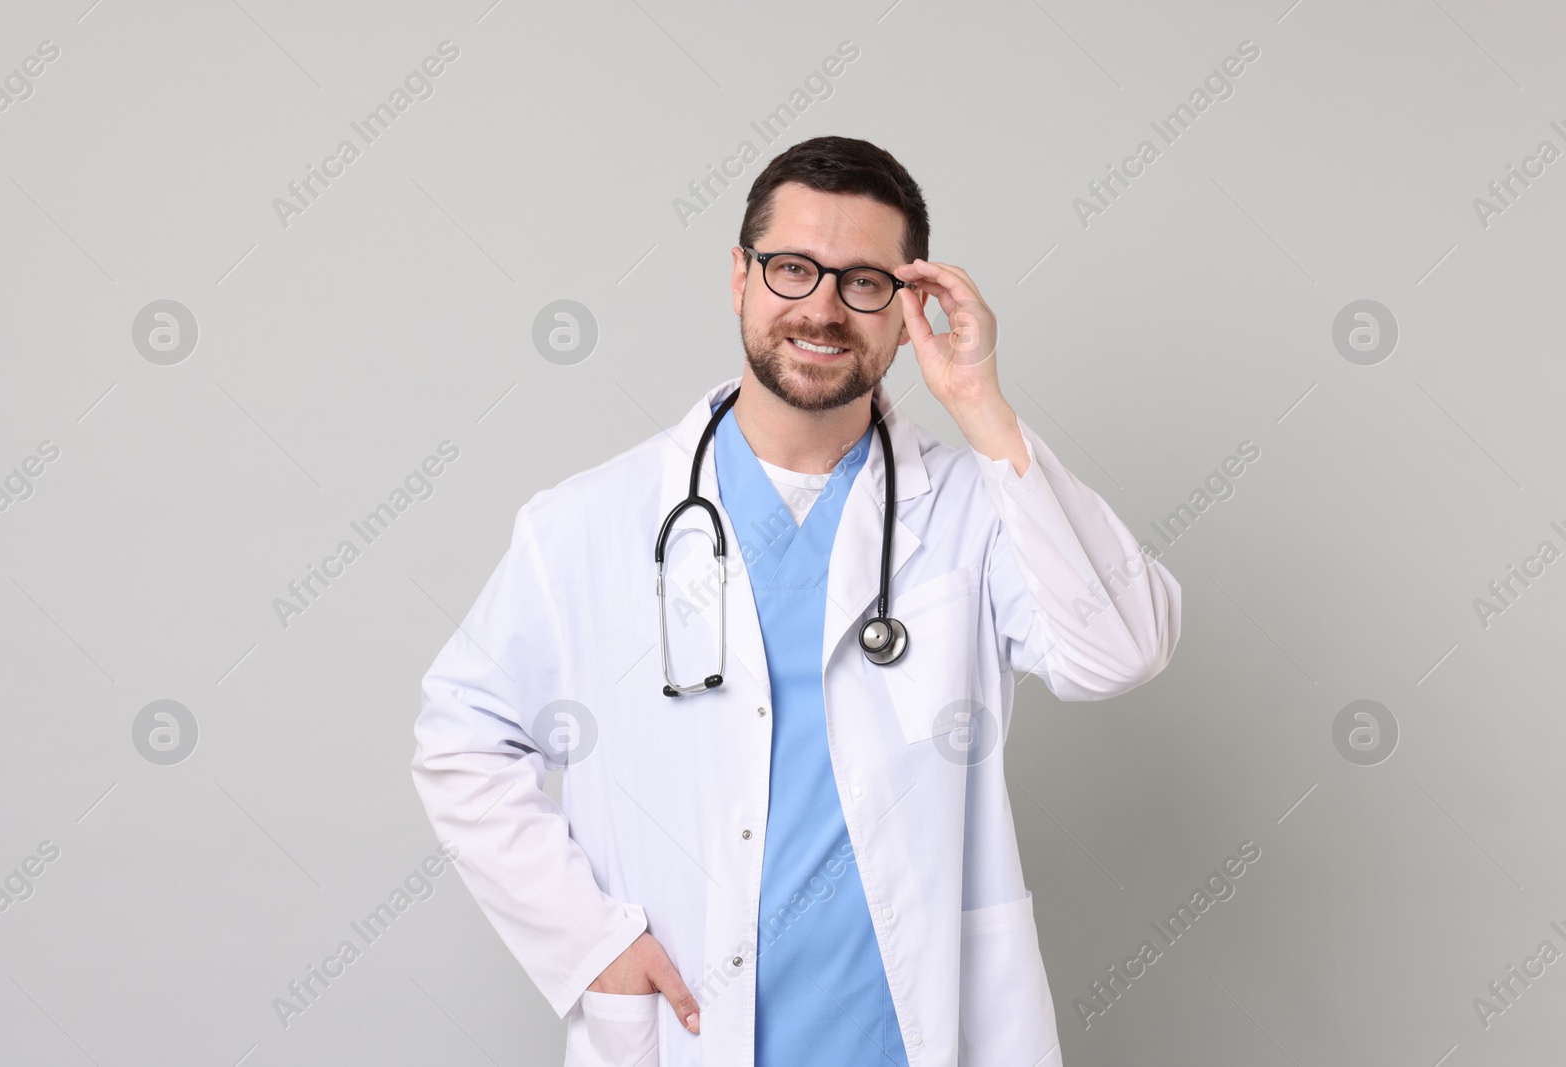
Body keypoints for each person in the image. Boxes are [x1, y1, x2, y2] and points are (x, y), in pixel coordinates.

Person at [411, 135, 1182, 1067]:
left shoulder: (976, 511)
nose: (822, 307)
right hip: (692, 1032)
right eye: (791, 269)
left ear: (908, 311)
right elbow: (460, 739)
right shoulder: (586, 524)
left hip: (912, 1034)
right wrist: (592, 943)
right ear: (738, 277)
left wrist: (981, 405)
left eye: (863, 282)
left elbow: (1124, 648)